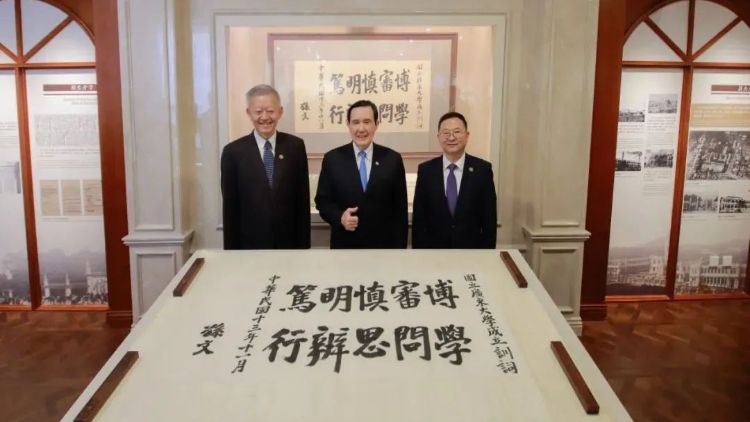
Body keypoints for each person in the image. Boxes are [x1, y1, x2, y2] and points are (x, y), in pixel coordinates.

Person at [221, 84, 310, 249]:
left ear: (280, 112)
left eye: (270, 111)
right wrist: (231, 253)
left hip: (289, 244)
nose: (265, 117)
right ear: (249, 113)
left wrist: (304, 248)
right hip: (250, 245)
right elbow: (230, 209)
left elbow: (302, 201)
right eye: (258, 111)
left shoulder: (295, 146)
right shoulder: (233, 152)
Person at [315, 100, 408, 249]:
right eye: (355, 122)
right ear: (348, 124)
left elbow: (400, 211)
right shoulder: (332, 159)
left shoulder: (392, 159)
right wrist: (340, 217)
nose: (361, 128)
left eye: (367, 122)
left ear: (376, 124)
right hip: (345, 245)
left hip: (384, 248)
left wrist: (400, 251)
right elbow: (323, 201)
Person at [412, 111, 497, 248]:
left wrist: (488, 254)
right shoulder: (426, 171)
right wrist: (419, 253)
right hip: (434, 251)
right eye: (446, 133)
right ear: (438, 137)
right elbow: (419, 219)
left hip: (471, 251)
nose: (451, 137)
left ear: (467, 135)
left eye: (457, 132)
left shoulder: (482, 170)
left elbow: (489, 218)